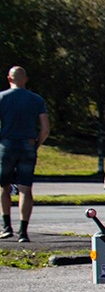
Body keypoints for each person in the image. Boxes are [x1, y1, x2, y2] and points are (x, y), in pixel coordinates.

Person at [0, 66, 50, 243]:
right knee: (25, 189)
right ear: (25, 79)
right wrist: (36, 144)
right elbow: (45, 129)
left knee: (4, 186)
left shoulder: (2, 98)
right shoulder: (36, 100)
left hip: (6, 144)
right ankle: (23, 231)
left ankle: (6, 227)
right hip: (27, 144)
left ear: (9, 78)